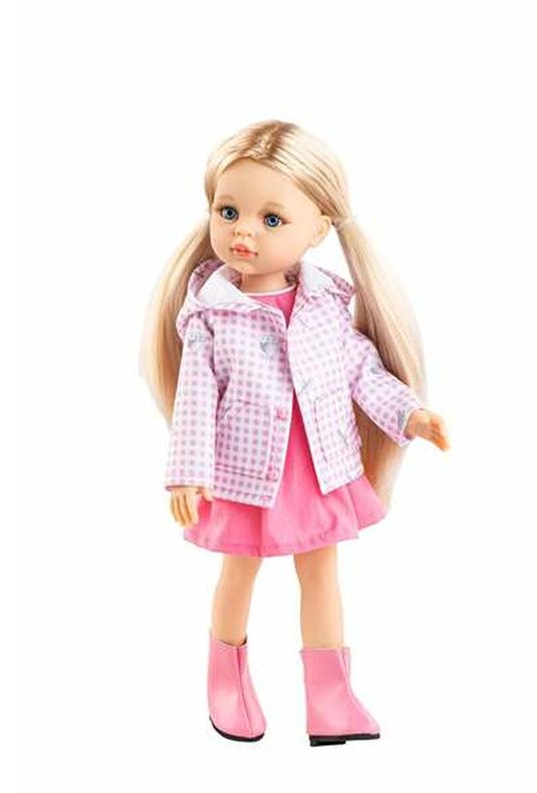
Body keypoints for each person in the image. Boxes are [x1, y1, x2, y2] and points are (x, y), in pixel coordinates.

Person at [140, 119, 450, 746]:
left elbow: (360, 368)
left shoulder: (325, 305)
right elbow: (196, 397)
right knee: (239, 572)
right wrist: (188, 474)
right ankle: (225, 682)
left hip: (317, 468)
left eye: (272, 219)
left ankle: (330, 699)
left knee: (321, 575)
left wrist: (408, 413)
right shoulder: (212, 315)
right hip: (244, 475)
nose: (244, 231)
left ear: (318, 229)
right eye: (229, 212)